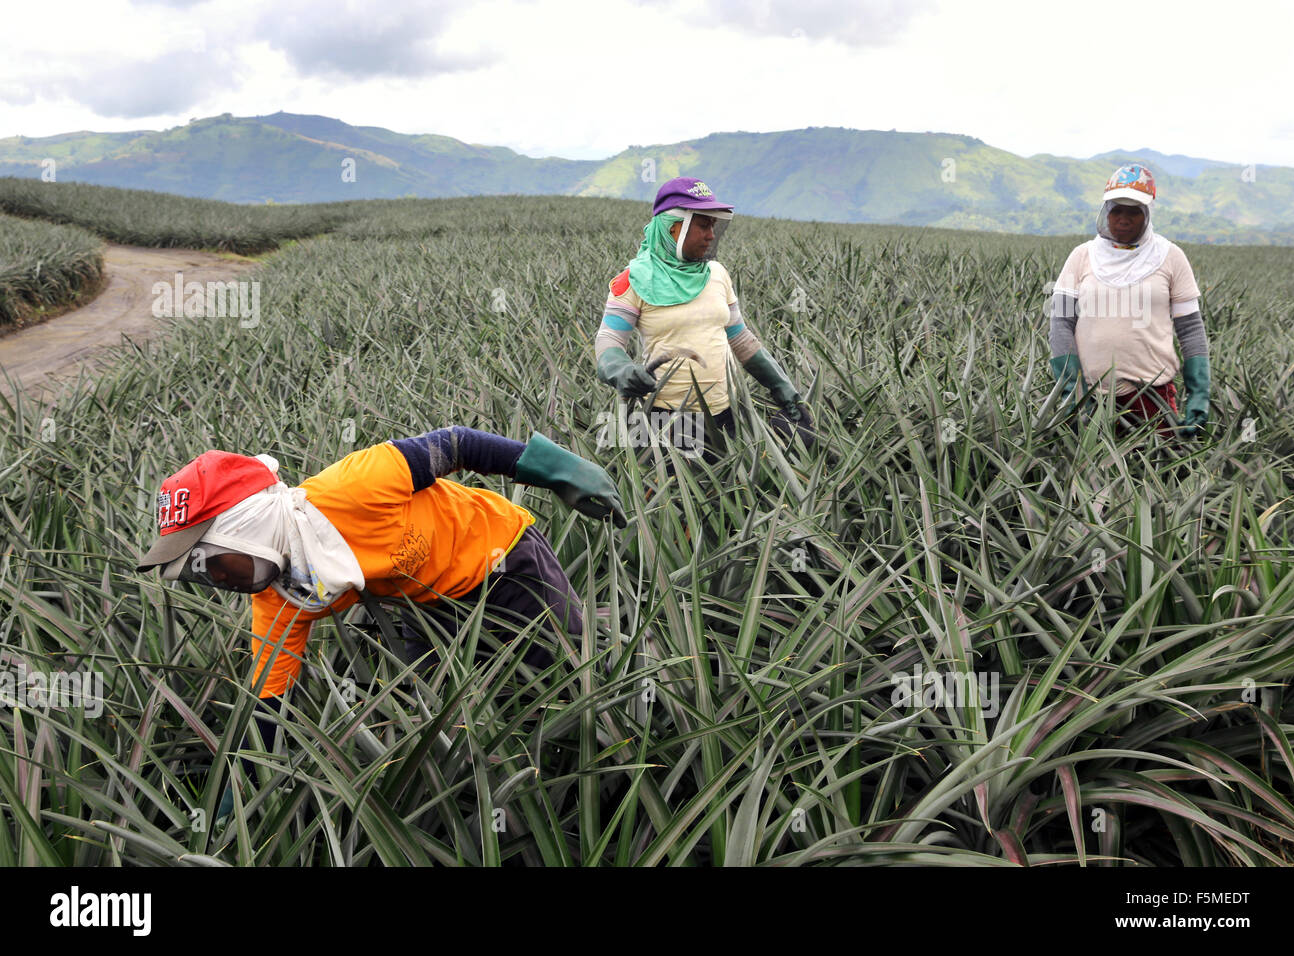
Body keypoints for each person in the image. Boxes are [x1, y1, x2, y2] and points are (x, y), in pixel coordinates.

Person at [135, 426, 625, 806]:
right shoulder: (279, 597)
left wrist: (557, 467)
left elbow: (456, 444)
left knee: (561, 680)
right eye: (203, 575)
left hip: (502, 561)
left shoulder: (354, 487)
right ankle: (490, 793)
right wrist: (242, 784)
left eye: (217, 562)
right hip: (423, 604)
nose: (220, 582)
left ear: (251, 527)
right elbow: (270, 697)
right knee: (436, 717)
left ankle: (610, 760)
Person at [593, 177, 813, 464]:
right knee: (676, 501)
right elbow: (608, 339)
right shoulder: (634, 280)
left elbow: (741, 339)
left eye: (714, 225)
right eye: (703, 225)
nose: (711, 235)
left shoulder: (717, 274)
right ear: (674, 228)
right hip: (669, 420)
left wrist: (783, 388)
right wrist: (620, 370)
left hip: (727, 413)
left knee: (731, 496)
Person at [1049, 164, 1211, 438]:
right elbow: (1061, 323)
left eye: (1133, 211)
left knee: (1160, 472)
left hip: (1152, 396)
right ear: (1106, 211)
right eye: (1116, 210)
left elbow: (1191, 329)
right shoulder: (1082, 256)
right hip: (1088, 396)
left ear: (1147, 214)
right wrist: (1071, 391)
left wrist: (1199, 394)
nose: (1123, 219)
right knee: (1091, 475)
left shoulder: (1170, 257)